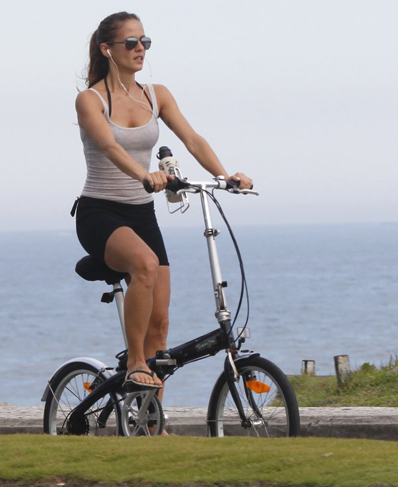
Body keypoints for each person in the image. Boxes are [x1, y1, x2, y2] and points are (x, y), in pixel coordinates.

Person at [75, 12, 252, 395]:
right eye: (131, 43)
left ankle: (152, 420)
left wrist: (225, 177)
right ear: (108, 49)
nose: (141, 49)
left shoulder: (157, 94)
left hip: (142, 214)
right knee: (145, 264)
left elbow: (192, 139)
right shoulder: (90, 100)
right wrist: (143, 175)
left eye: (145, 42)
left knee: (160, 325)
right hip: (99, 212)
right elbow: (108, 145)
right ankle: (135, 363)